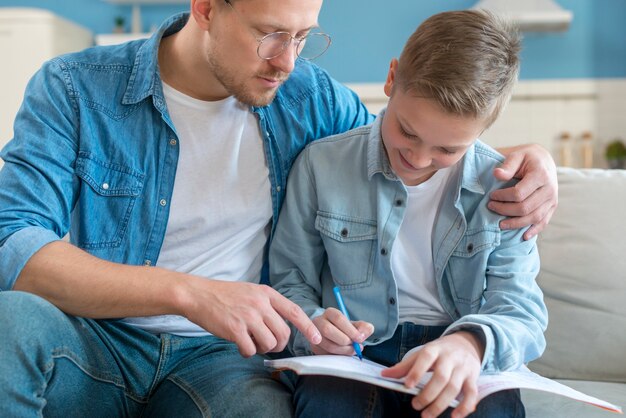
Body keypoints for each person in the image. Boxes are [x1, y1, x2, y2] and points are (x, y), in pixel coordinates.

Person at [0, 0, 554, 416]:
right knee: (9, 324)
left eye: (303, 37)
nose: (287, 61)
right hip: (97, 338)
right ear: (207, 8)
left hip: (224, 360)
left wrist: (529, 162)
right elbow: (12, 244)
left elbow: (405, 151)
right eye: (270, 35)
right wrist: (187, 292)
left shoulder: (311, 99)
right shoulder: (75, 89)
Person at [269, 9, 548, 418]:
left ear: (485, 127)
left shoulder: (507, 189)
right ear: (391, 78)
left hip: (456, 345)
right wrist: (313, 326)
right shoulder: (320, 165)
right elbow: (290, 280)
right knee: (329, 406)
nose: (418, 159)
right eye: (408, 132)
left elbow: (521, 311)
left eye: (447, 150)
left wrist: (470, 345)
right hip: (356, 351)